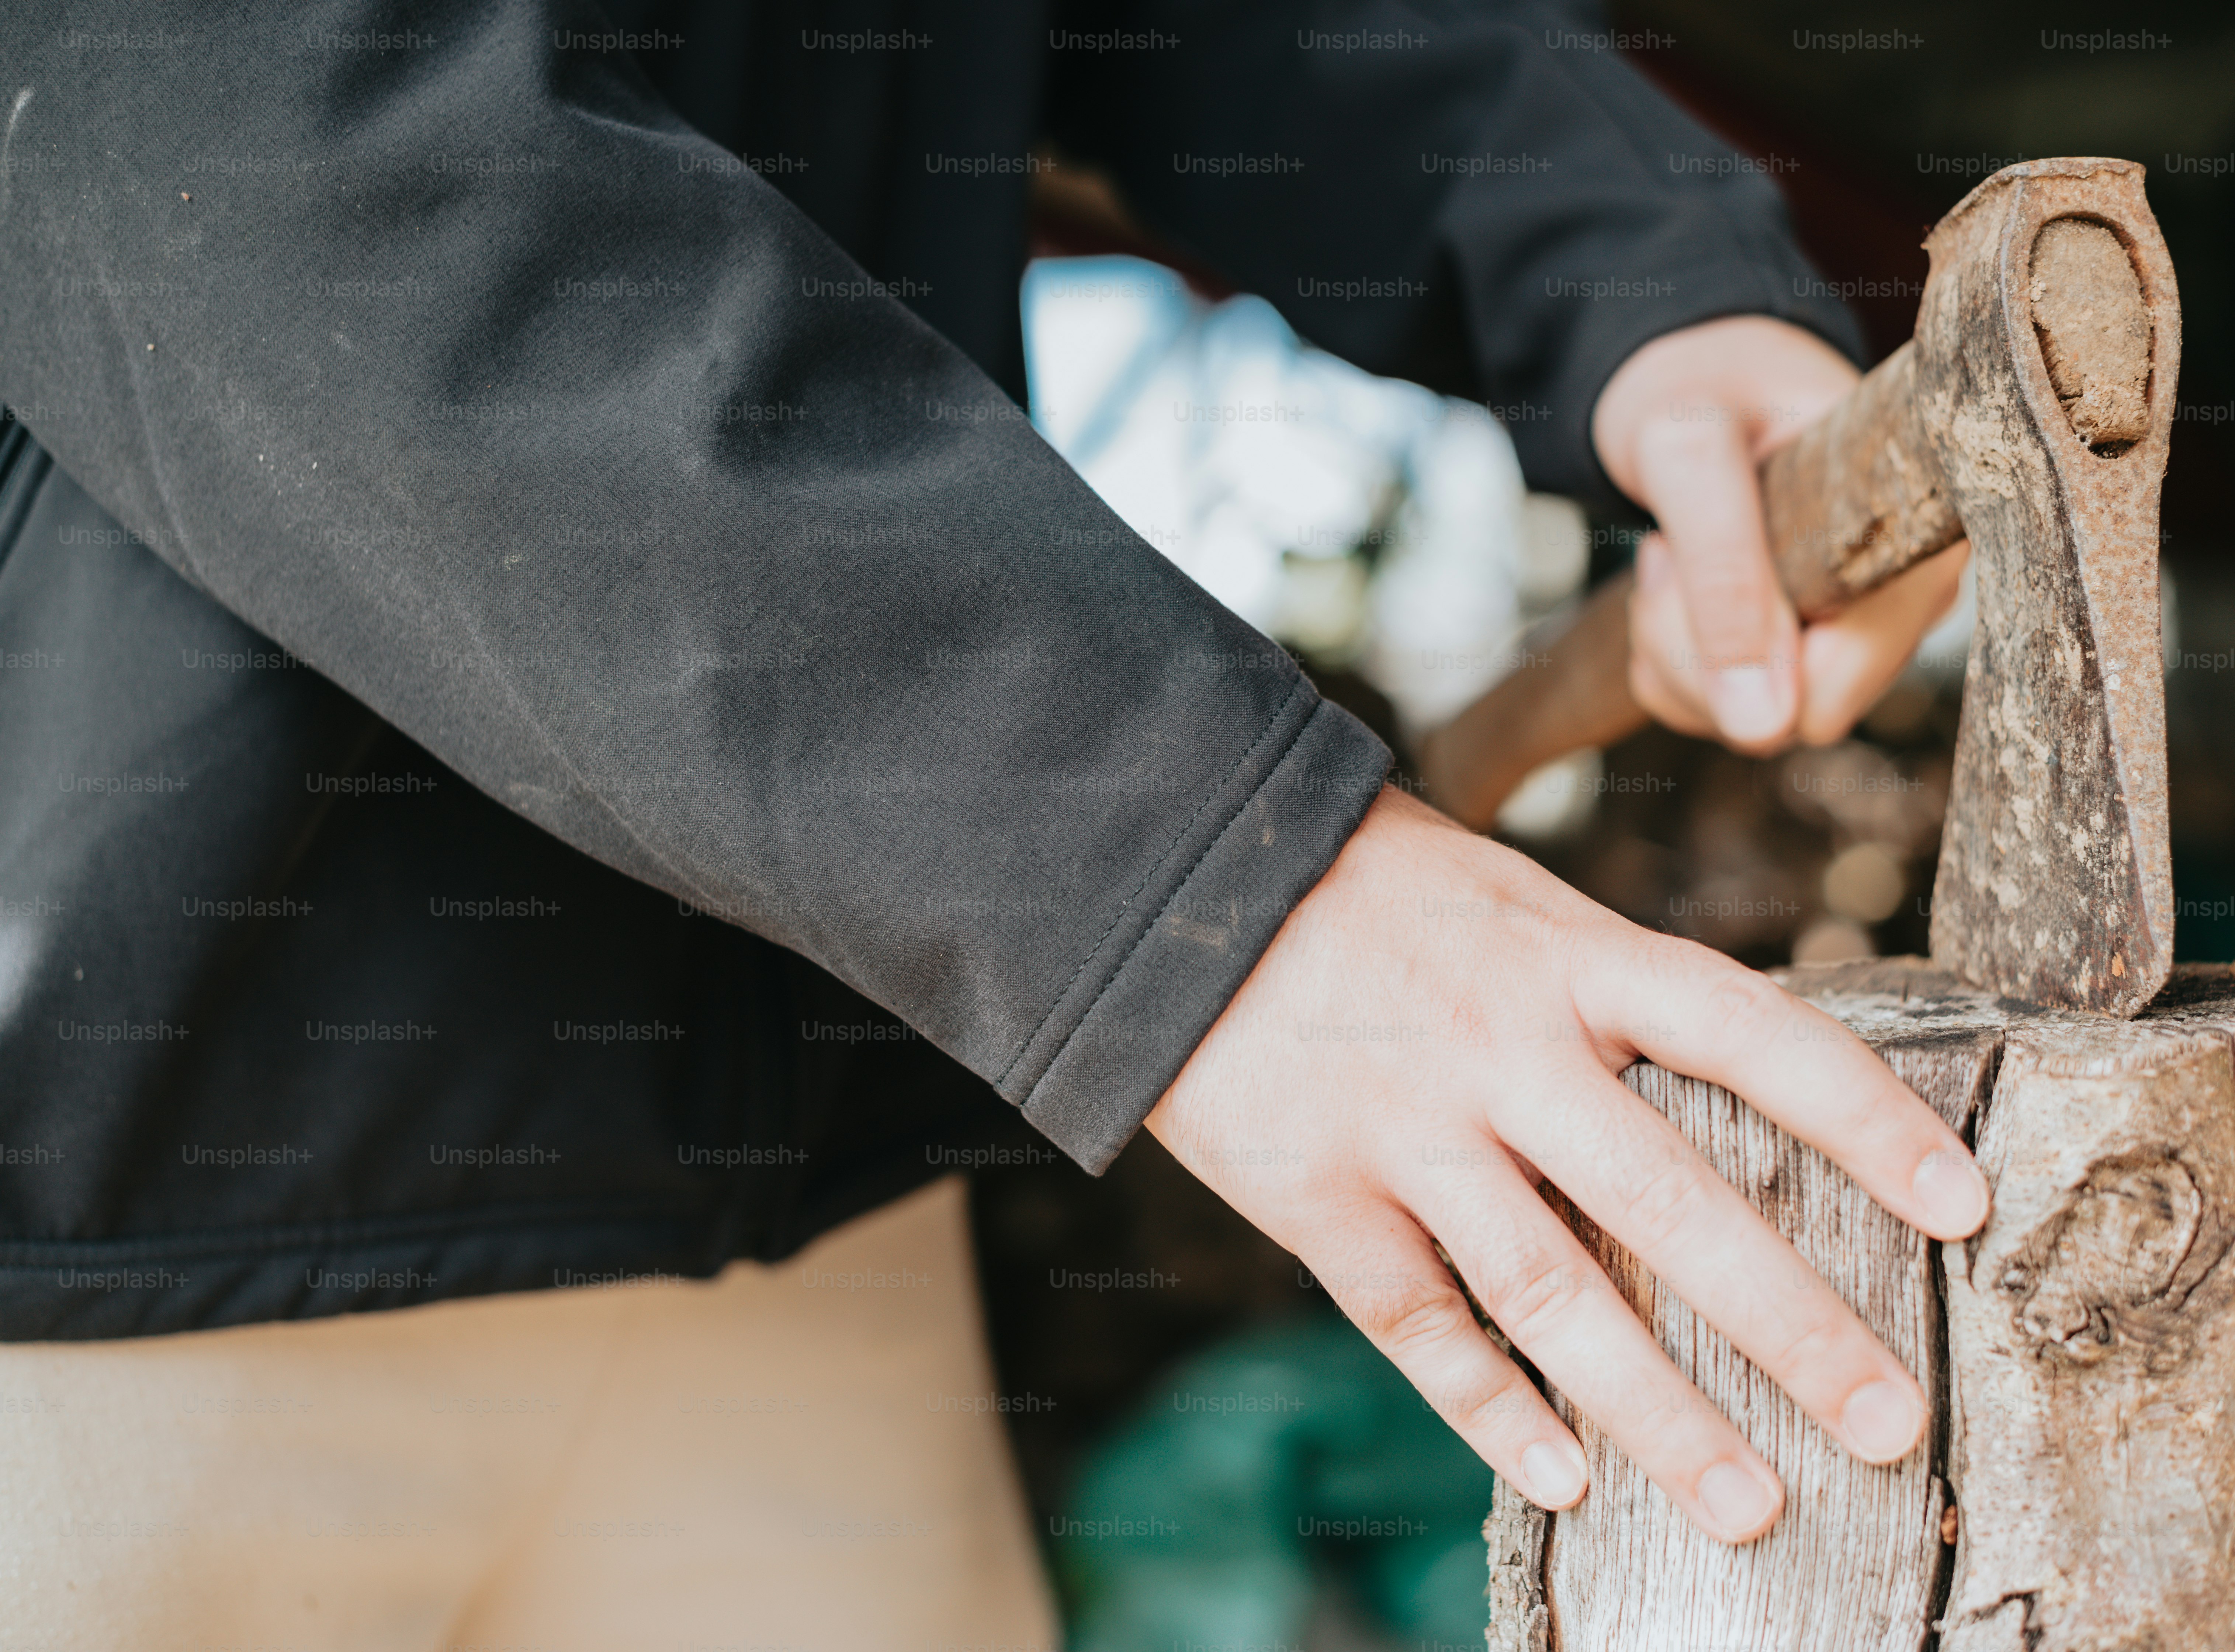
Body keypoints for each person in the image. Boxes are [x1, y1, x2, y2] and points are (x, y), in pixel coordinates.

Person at [0, 0, 1979, 1640]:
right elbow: (253, 139)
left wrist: (1635, 279)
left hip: (809, 1196)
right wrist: (1197, 869)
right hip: (124, 1232)